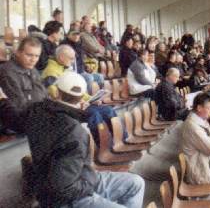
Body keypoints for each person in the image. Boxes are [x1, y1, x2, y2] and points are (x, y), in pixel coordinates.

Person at [24, 72, 145, 207]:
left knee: (136, 183)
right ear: (82, 98)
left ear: (56, 92)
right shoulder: (74, 132)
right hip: (67, 198)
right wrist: (90, 186)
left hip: (79, 178)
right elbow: (63, 188)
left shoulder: (37, 112)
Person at [0, 37, 47, 132]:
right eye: (29, 55)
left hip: (38, 119)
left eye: (37, 56)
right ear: (18, 52)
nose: (33, 60)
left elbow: (44, 96)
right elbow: (19, 106)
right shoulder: (7, 72)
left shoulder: (33, 70)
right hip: (19, 125)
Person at [181, 92, 210, 187]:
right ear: (199, 108)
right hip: (202, 168)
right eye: (209, 108)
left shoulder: (200, 119)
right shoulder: (193, 126)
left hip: (207, 160)